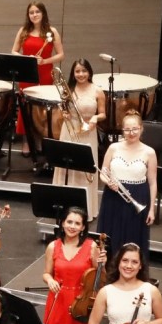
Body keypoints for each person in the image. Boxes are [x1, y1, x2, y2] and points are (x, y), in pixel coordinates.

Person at [98, 111, 156, 262]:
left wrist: (151, 209)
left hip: (138, 196)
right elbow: (103, 173)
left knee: (133, 238)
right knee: (111, 235)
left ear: (141, 128)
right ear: (122, 130)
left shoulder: (149, 152)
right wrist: (108, 182)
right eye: (127, 130)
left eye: (135, 129)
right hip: (113, 195)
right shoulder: (113, 148)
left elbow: (152, 182)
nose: (131, 133)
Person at [51, 59, 106, 220]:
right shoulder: (68, 89)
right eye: (77, 71)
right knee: (66, 166)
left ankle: (84, 209)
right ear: (73, 73)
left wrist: (95, 118)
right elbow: (64, 111)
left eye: (84, 71)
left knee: (85, 168)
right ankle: (64, 208)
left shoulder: (98, 91)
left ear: (89, 72)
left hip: (88, 131)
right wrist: (64, 114)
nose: (81, 74)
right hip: (69, 131)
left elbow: (103, 114)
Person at [12, 1, 64, 157]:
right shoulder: (23, 31)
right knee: (25, 107)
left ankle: (40, 139)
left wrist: (45, 61)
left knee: (41, 108)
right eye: (31, 12)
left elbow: (61, 54)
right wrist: (26, 58)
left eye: (37, 12)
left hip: (45, 73)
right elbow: (14, 51)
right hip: (27, 73)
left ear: (43, 13)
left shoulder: (52, 32)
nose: (34, 15)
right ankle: (26, 141)